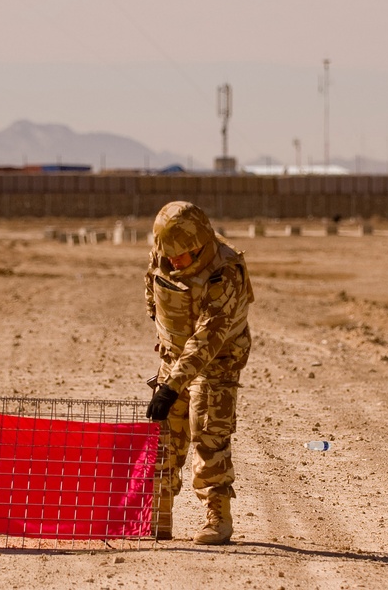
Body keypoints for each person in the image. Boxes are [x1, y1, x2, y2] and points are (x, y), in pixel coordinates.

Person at [143, 201, 254, 544]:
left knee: (208, 435)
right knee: (164, 439)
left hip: (216, 362)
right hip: (175, 358)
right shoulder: (164, 255)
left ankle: (217, 517)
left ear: (200, 245)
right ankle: (157, 517)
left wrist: (171, 386)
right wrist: (167, 352)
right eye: (169, 254)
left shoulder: (225, 271)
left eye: (182, 255)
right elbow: (152, 294)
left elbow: (209, 338)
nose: (174, 261)